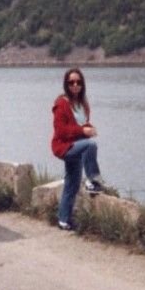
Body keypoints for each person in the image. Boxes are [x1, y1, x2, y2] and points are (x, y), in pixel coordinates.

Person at [51, 67, 106, 230]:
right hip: (64, 146)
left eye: (78, 82)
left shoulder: (83, 104)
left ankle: (63, 220)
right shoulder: (61, 104)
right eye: (71, 82)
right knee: (91, 145)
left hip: (77, 145)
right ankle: (92, 181)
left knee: (72, 183)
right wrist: (83, 131)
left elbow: (80, 125)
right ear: (66, 85)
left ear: (82, 85)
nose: (75, 85)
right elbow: (61, 130)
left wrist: (89, 128)